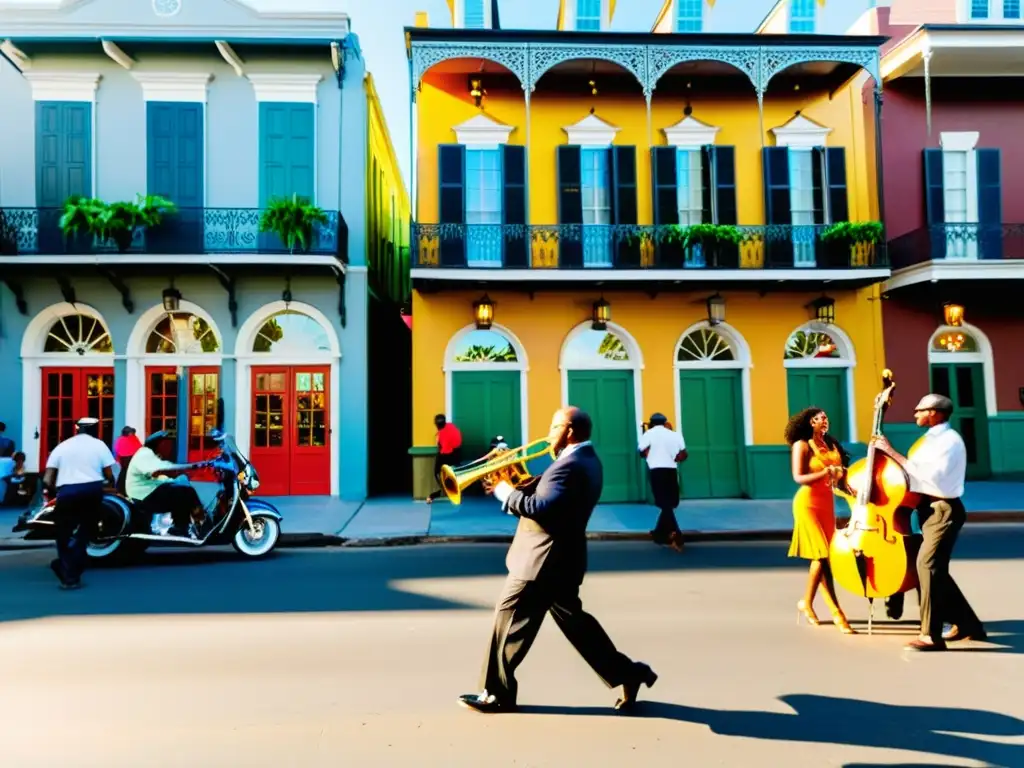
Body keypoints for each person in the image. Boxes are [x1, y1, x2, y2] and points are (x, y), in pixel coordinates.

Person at [458, 406, 657, 714]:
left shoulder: (571, 465)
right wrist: (516, 481)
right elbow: (556, 497)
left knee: (506, 622)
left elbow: (542, 508)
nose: (548, 434)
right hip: (562, 561)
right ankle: (630, 674)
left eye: (553, 428)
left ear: (569, 431)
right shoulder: (585, 460)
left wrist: (503, 492)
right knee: (580, 628)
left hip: (541, 561)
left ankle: (496, 693)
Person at [870, 393, 986, 651]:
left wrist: (891, 451)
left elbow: (928, 475)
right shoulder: (931, 439)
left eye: (919, 410)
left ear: (934, 412)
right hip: (927, 508)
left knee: (927, 564)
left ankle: (931, 635)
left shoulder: (949, 441)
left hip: (943, 509)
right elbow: (912, 472)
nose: (915, 414)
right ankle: (969, 625)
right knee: (936, 569)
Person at [786, 407, 855, 635]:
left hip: (827, 505)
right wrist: (827, 473)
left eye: (827, 416)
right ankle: (837, 613)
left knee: (824, 557)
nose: (825, 420)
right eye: (820, 418)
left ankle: (806, 602)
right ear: (810, 422)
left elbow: (840, 477)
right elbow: (799, 478)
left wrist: (849, 487)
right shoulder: (802, 445)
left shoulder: (832, 445)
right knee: (822, 556)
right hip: (807, 504)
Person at [41, 417, 116, 589]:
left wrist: (55, 491)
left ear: (78, 429)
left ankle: (67, 571)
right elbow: (109, 474)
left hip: (67, 492)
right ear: (95, 429)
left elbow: (47, 479)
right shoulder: (99, 445)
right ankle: (71, 570)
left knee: (63, 534)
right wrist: (111, 484)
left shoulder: (62, 446)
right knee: (85, 531)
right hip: (92, 491)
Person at [125, 431, 208, 538]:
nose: (169, 447)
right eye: (166, 444)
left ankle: (187, 524)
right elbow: (160, 468)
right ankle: (183, 526)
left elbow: (158, 475)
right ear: (158, 444)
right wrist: (192, 466)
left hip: (148, 490)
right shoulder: (145, 453)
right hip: (143, 495)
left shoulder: (151, 454)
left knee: (183, 489)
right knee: (183, 493)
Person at [638, 413, 687, 552]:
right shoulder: (674, 434)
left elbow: (641, 451)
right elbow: (683, 454)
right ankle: (659, 533)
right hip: (671, 470)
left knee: (664, 503)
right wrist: (674, 458)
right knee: (670, 502)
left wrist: (650, 455)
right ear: (665, 422)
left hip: (656, 470)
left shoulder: (649, 434)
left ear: (652, 423)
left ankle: (676, 535)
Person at [426, 414, 463, 503]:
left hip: (449, 454)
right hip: (457, 453)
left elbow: (445, 452)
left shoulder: (443, 435)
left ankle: (439, 493)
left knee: (437, 472)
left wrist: (439, 444)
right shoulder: (450, 426)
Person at [113, 426, 143, 495]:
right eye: (131, 433)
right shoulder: (131, 438)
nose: (132, 434)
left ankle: (121, 490)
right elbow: (139, 448)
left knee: (124, 473)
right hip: (130, 459)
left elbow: (117, 451)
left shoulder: (120, 439)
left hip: (125, 459)